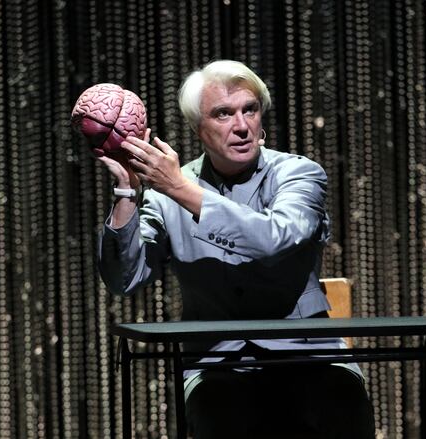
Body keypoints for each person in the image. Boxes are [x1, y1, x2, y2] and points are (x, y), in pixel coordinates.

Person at [97, 60, 375, 438]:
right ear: (198, 128)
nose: (242, 126)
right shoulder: (165, 195)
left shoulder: (299, 173)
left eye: (250, 110)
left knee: (341, 406)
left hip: (309, 355)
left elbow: (275, 238)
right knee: (221, 415)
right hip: (219, 363)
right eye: (223, 114)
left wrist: (179, 189)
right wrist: (127, 192)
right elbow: (124, 279)